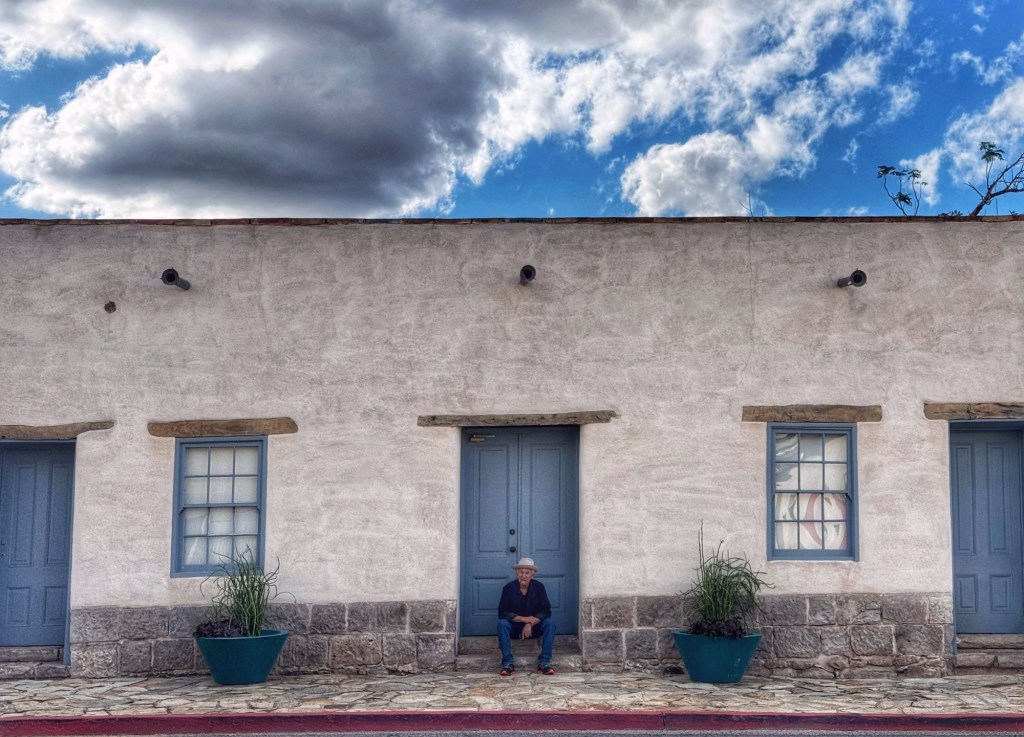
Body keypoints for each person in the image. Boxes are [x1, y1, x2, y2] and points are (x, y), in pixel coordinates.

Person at [497, 556, 556, 675]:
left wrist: (530, 622)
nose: (524, 576)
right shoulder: (508, 588)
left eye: (527, 573)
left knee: (550, 623)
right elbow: (502, 612)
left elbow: (546, 611)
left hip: (534, 627)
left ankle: (544, 662)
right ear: (517, 573)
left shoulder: (539, 587)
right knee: (502, 624)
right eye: (521, 572)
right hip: (515, 627)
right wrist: (523, 619)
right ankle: (508, 663)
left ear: (532, 574)